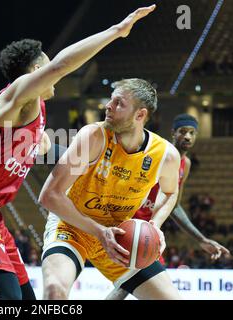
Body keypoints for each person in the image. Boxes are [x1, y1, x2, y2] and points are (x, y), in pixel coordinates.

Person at [0, 4, 158, 300]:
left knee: (26, 301)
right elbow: (61, 67)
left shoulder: (34, 112)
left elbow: (51, 149)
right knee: (8, 301)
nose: (57, 72)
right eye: (49, 64)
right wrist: (117, 31)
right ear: (38, 70)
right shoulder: (18, 94)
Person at [39, 77, 182, 300]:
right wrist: (98, 232)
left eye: (119, 103)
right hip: (73, 225)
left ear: (140, 115)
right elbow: (49, 196)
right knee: (54, 292)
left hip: (120, 235)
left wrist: (155, 224)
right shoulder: (93, 136)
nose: (108, 106)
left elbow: (170, 192)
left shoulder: (166, 155)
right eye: (111, 100)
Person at [106, 114, 230, 300]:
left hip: (149, 232)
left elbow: (174, 206)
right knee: (142, 285)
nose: (187, 136)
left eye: (192, 133)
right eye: (183, 132)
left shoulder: (185, 164)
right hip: (130, 225)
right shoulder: (159, 152)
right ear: (173, 133)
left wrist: (202, 239)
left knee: (132, 285)